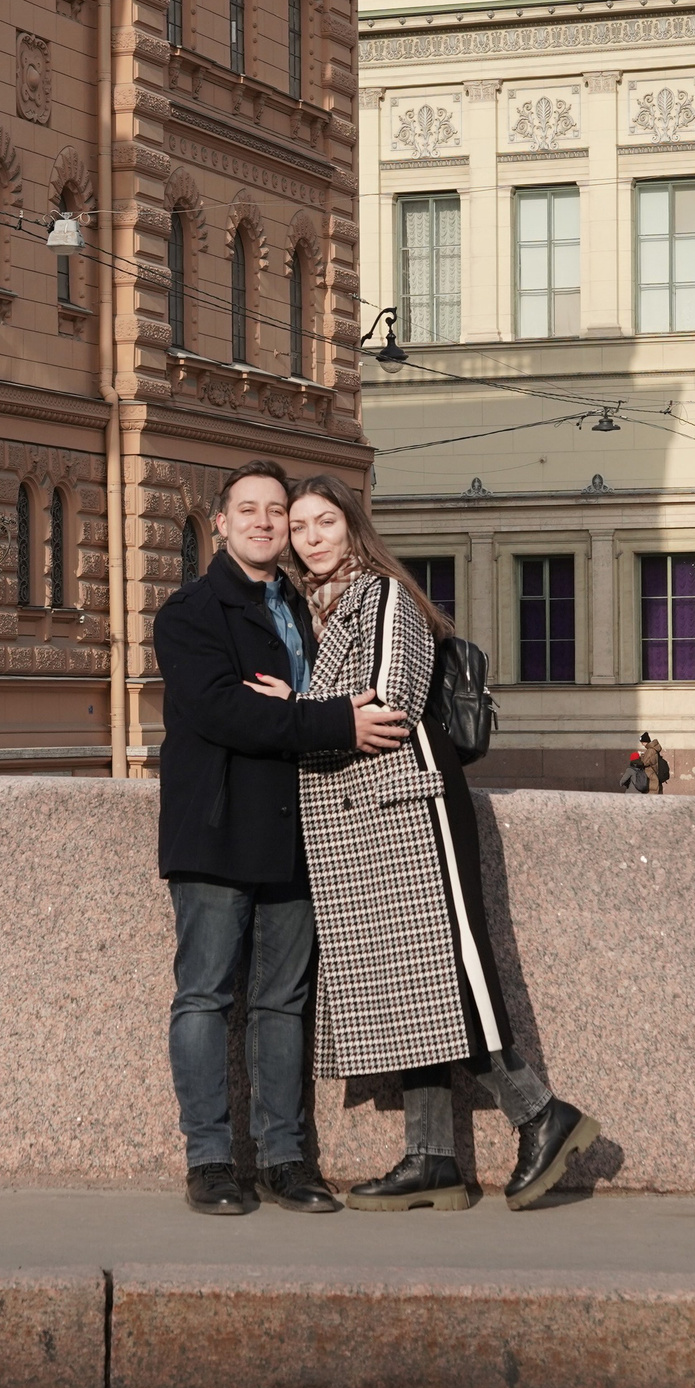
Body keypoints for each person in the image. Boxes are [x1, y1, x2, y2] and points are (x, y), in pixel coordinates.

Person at [251, 473, 598, 1213]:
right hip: (356, 819)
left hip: (410, 805)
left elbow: (389, 705)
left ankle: (541, 1114)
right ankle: (432, 1158)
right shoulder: (314, 608)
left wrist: (296, 710)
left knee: (446, 974)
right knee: (412, 991)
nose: (311, 538)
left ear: (353, 528)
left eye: (325, 524)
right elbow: (348, 715)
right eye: (300, 527)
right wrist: (317, 714)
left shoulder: (382, 596)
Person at [152, 460, 411, 1217]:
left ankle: (285, 1159)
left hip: (299, 832)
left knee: (281, 1003)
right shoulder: (191, 611)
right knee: (204, 996)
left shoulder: (301, 606)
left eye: (278, 512)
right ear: (221, 523)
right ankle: (209, 1162)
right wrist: (332, 722)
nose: (267, 522)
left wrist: (307, 708)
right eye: (251, 511)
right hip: (216, 829)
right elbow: (226, 714)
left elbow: (294, 703)